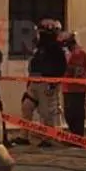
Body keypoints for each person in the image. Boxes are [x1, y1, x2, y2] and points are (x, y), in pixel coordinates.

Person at [20, 18, 68, 148]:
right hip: (35, 83)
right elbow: (34, 65)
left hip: (47, 84)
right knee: (26, 106)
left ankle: (49, 138)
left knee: (47, 113)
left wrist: (53, 84)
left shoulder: (56, 49)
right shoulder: (39, 49)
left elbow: (61, 68)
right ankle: (24, 136)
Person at [62, 31, 86, 136]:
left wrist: (64, 67)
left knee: (75, 115)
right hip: (68, 88)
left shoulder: (78, 54)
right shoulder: (71, 54)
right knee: (69, 115)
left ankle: (77, 138)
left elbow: (77, 71)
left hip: (76, 89)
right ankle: (74, 137)